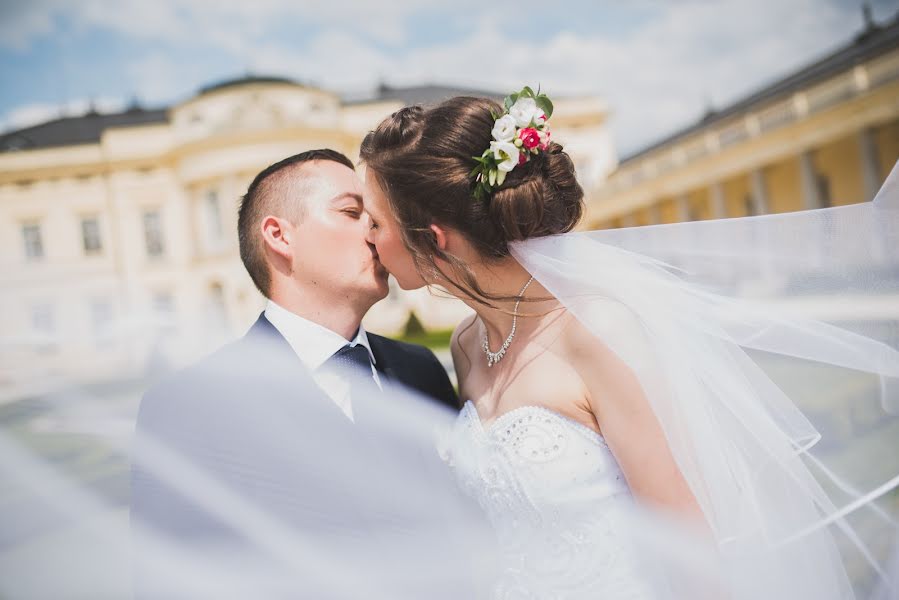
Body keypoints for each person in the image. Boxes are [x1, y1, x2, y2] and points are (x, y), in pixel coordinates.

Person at [359, 89, 899, 598]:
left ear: (433, 238)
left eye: (374, 220)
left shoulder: (597, 332)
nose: (366, 234)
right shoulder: (466, 345)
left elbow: (691, 552)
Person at [130, 149, 466, 598]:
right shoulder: (188, 407)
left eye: (377, 217)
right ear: (279, 236)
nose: (377, 231)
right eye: (352, 212)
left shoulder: (421, 369)